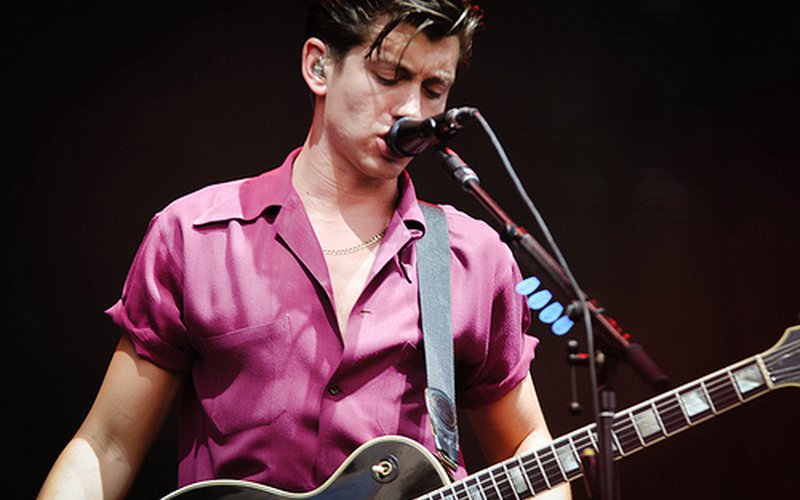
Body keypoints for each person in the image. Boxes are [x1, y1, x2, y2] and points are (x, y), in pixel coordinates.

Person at [38, 1, 572, 498]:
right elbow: (106, 447)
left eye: (434, 89)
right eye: (389, 76)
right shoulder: (195, 234)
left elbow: (527, 447)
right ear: (319, 66)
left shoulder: (472, 257)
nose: (413, 109)